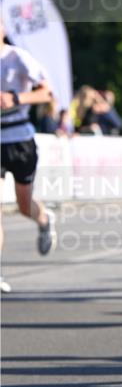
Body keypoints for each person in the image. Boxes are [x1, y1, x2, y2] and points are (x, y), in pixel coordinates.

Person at [0, 19, 57, 292]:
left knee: (24, 206)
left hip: (19, 139)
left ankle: (44, 219)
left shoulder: (17, 56)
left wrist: (16, 98)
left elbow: (47, 92)